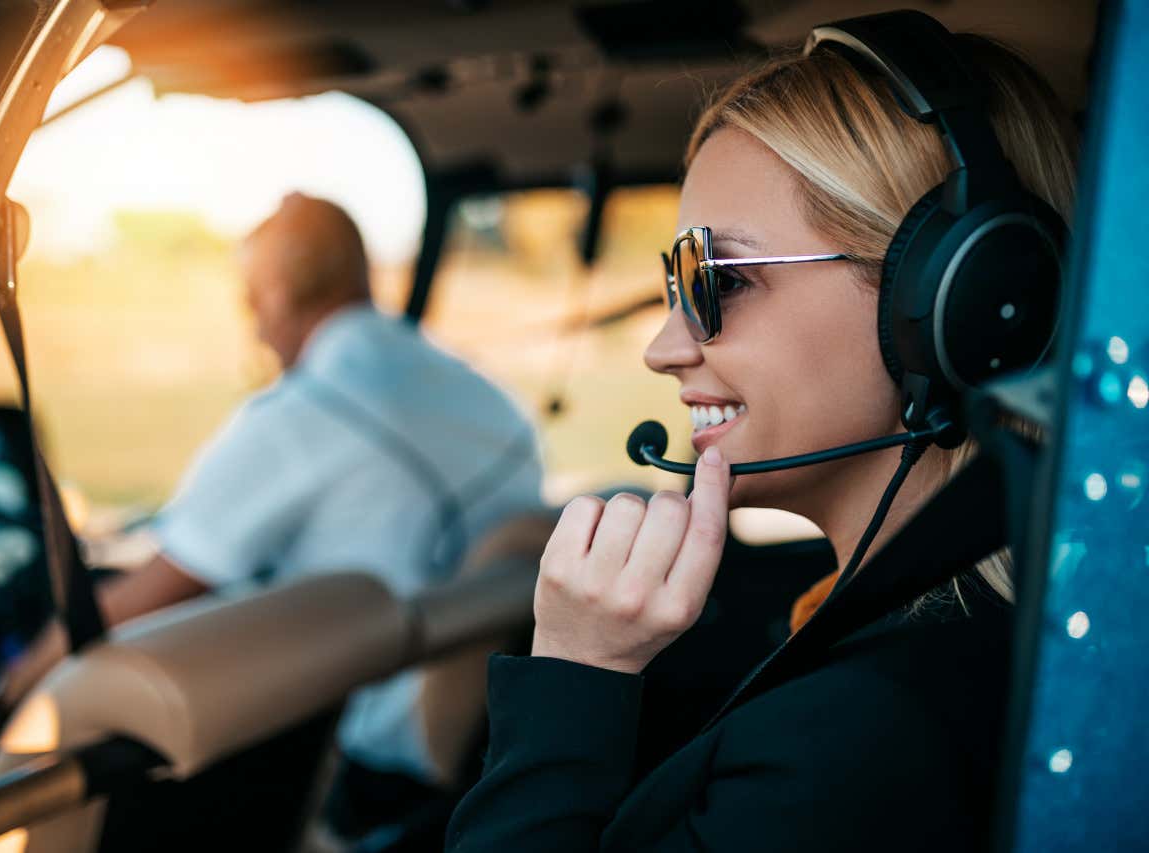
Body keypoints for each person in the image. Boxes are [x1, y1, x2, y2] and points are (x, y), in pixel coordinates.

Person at [446, 15, 1074, 853]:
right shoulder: (955, 642)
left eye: (719, 279)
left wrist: (575, 673)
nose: (664, 347)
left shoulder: (852, 743)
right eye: (675, 280)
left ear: (960, 300)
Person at [0, 193, 543, 815]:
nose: (253, 325)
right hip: (489, 730)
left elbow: (149, 595)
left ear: (278, 296)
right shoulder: (485, 393)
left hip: (365, 759)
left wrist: (10, 684)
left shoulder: (304, 411)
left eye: (250, 300)